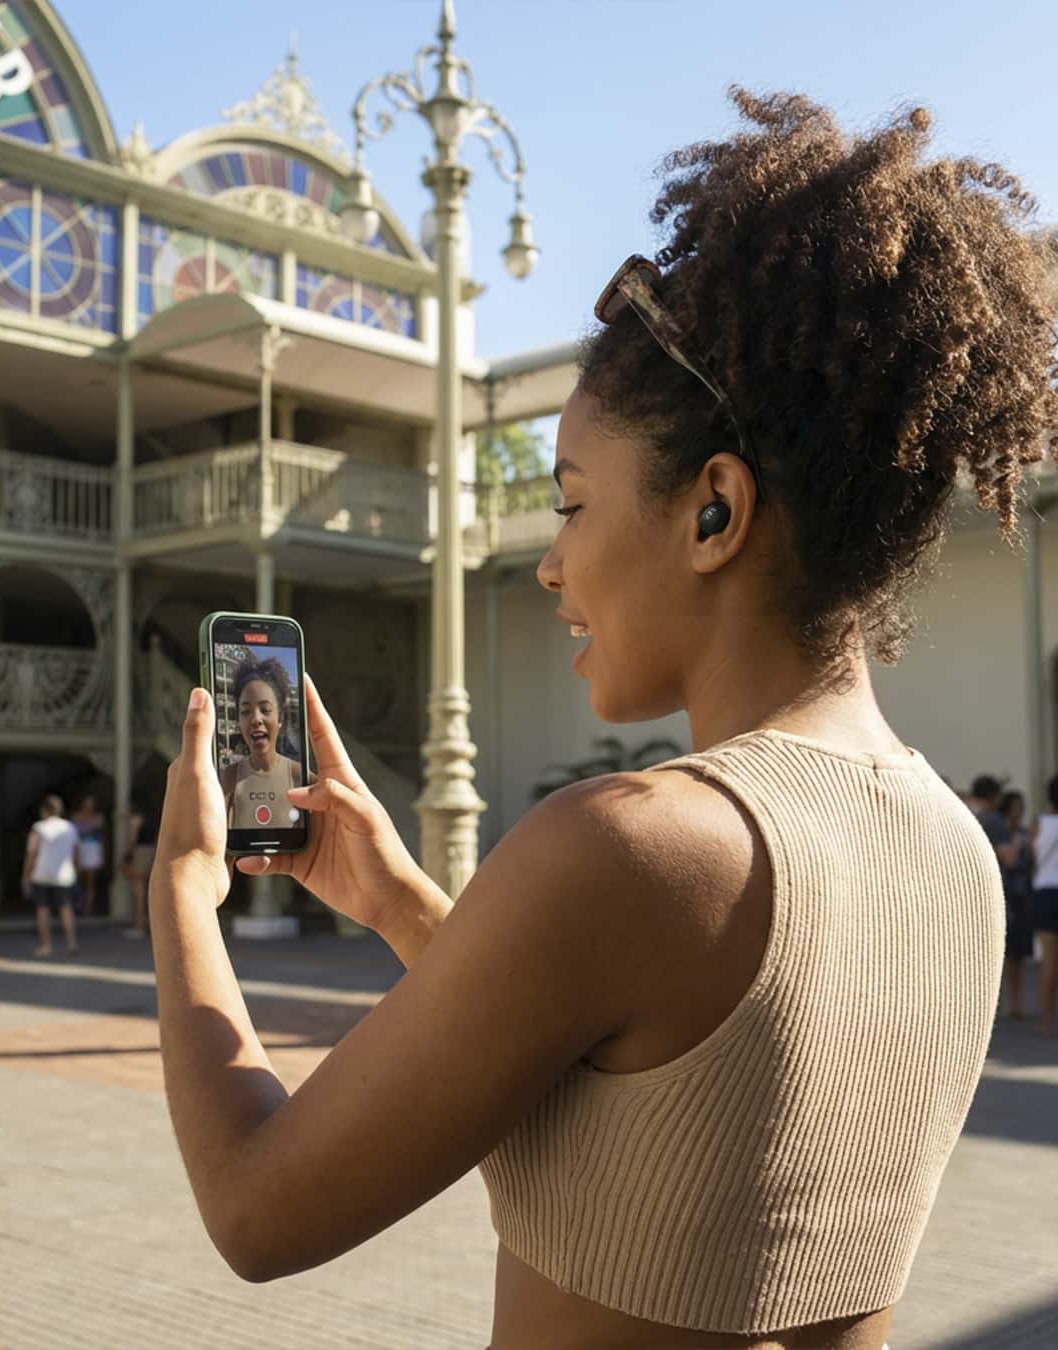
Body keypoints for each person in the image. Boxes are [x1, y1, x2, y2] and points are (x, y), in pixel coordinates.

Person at [148, 90, 1056, 1350]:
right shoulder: (954, 851)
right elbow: (646, 1105)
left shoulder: (633, 847)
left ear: (713, 514)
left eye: (571, 505)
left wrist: (186, 898)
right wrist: (404, 900)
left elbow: (258, 1211)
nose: (549, 563)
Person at [219, 657, 303, 830]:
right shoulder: (229, 778)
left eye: (265, 710)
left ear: (280, 717)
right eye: (245, 711)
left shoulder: (301, 777)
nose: (256, 719)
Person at [22, 795, 80, 959]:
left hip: (42, 874)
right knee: (66, 909)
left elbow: (31, 853)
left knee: (42, 910)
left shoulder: (38, 828)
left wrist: (26, 874)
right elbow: (77, 852)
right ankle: (71, 943)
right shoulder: (70, 828)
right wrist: (77, 869)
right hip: (64, 875)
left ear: (45, 810)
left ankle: (46, 946)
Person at [997, 789, 1034, 1020]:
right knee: (1002, 952)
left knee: (1017, 954)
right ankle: (1000, 1001)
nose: (1019, 812)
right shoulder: (1002, 833)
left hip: (1021, 897)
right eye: (1016, 807)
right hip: (1004, 895)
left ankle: (1016, 1002)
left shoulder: (1025, 833)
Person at [1030, 774, 1058, 1037]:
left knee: (1048, 959)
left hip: (1044, 891)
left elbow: (1033, 855)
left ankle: (1046, 1019)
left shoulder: (1039, 824)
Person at [122, 799, 159, 938]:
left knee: (139, 892)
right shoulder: (155, 820)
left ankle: (139, 926)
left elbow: (132, 840)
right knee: (152, 892)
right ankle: (153, 926)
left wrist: (127, 857)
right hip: (153, 853)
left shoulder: (135, 820)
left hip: (140, 853)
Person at [72, 794, 107, 917]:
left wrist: (102, 855)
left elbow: (102, 837)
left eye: (91, 803)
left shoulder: (99, 818)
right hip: (80, 849)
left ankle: (88, 909)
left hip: (93, 849)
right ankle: (77, 905)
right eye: (87, 802)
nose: (89, 806)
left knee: (90, 882)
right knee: (77, 879)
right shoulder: (76, 817)